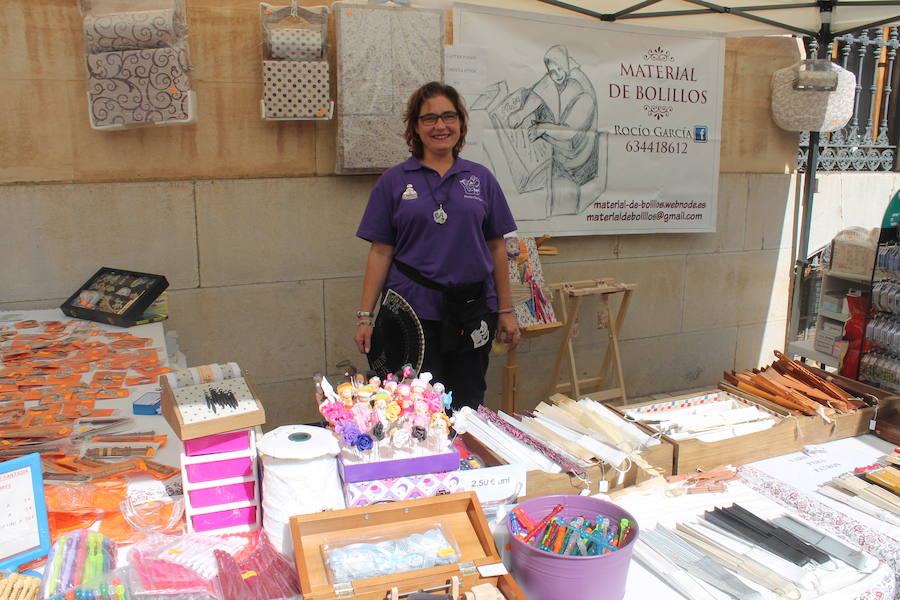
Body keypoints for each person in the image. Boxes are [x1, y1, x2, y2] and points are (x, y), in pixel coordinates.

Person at [354, 81, 521, 411]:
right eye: (429, 118)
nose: (440, 126)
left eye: (449, 116)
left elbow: (497, 247)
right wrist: (365, 316)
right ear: (415, 126)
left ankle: (463, 462)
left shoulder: (481, 179)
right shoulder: (395, 181)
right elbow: (380, 251)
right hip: (413, 313)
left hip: (473, 311)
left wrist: (505, 310)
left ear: (461, 122)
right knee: (417, 407)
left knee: (467, 403)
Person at [508, 45, 600, 216]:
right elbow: (542, 90)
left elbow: (569, 132)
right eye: (551, 71)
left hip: (578, 151)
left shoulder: (583, 92)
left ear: (566, 66)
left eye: (559, 69)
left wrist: (542, 128)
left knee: (564, 194)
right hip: (559, 143)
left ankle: (564, 215)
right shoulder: (558, 74)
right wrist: (521, 113)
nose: (555, 74)